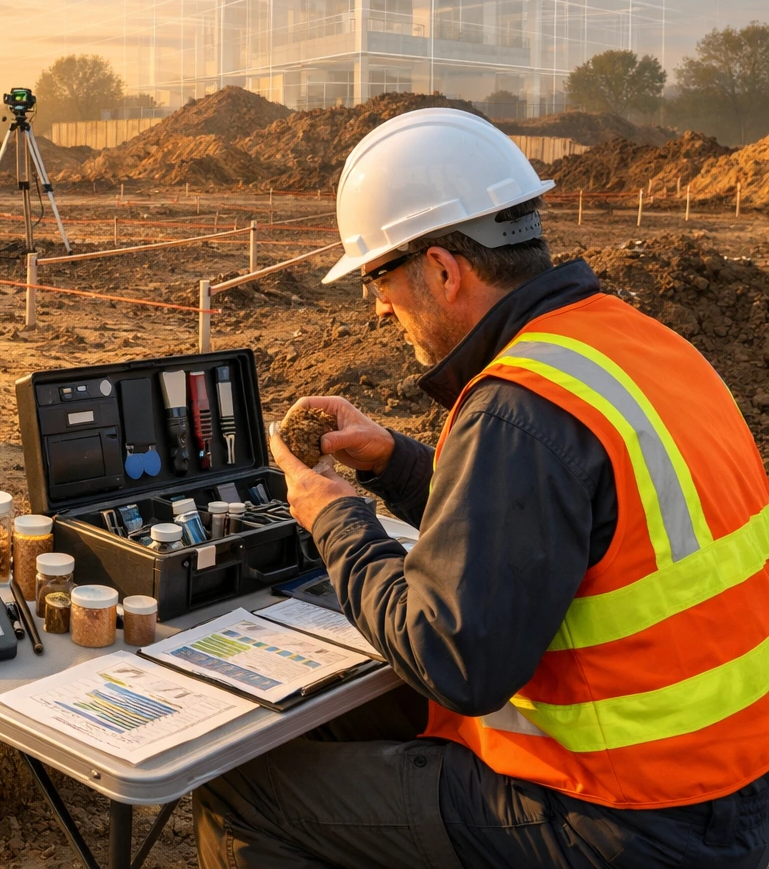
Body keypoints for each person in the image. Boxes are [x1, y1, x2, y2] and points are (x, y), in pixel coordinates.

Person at [195, 108, 769, 869]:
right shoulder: (633, 345)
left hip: (622, 813)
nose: (377, 304)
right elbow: (550, 526)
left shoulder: (518, 406)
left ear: (441, 268)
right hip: (731, 782)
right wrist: (394, 462)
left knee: (243, 792)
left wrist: (336, 518)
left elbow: (454, 660)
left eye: (377, 276)